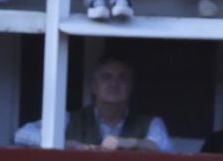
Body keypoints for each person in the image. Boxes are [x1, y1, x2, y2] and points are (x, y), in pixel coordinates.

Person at [12, 55, 170, 152]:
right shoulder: (69, 119)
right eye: (106, 77)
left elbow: (164, 147)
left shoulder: (151, 123)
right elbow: (23, 134)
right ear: (94, 86)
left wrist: (129, 142)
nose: (114, 84)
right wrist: (65, 143)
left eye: (122, 78)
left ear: (130, 86)